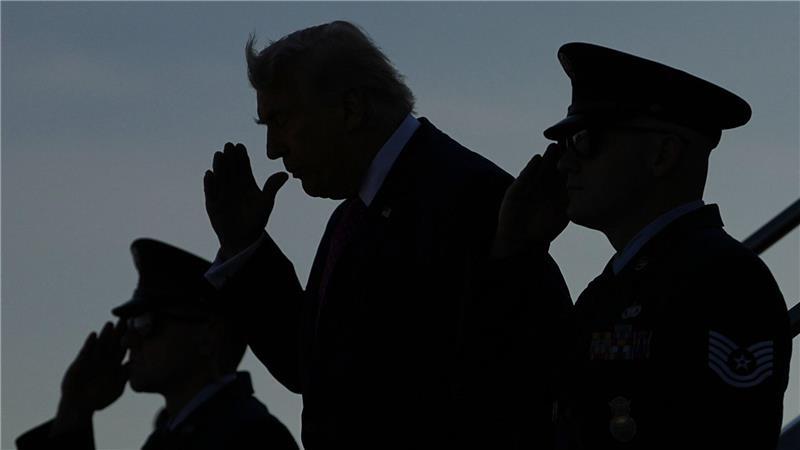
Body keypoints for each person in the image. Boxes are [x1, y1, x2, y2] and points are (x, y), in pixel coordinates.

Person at [202, 20, 565, 449]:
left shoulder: (471, 199)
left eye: (280, 120)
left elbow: (510, 390)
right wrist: (245, 246)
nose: (273, 149)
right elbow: (314, 370)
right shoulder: (353, 216)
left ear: (352, 109)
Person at [499, 41, 792, 449]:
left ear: (662, 154)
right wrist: (523, 255)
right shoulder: (614, 288)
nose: (565, 163)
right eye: (564, 146)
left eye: (585, 140)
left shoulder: (727, 283)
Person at [16, 238, 298, 450]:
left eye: (146, 322)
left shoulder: (253, 439)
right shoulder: (178, 433)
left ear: (209, 334)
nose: (129, 339)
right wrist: (75, 409)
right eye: (129, 324)